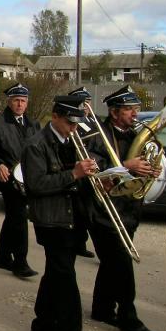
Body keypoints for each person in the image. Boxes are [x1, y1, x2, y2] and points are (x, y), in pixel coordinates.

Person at [20, 95, 95, 331]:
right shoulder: (35, 145)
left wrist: (98, 181)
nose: (73, 128)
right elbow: (37, 185)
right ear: (54, 117)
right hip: (51, 220)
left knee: (55, 273)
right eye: (69, 123)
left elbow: (79, 181)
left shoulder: (74, 142)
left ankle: (41, 326)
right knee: (65, 278)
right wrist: (73, 174)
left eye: (76, 124)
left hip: (73, 218)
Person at [86, 85, 159, 331]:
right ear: (114, 112)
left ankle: (102, 308)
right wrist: (125, 165)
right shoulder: (98, 134)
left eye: (136, 109)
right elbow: (92, 167)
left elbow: (146, 163)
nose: (134, 114)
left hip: (129, 209)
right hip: (103, 212)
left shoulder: (137, 135)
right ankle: (129, 317)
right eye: (129, 109)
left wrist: (150, 170)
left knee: (111, 263)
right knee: (122, 263)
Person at [0, 83, 41, 277]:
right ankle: (20, 262)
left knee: (13, 217)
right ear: (9, 101)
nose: (20, 104)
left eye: (23, 101)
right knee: (20, 217)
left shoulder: (33, 124)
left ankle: (3, 257)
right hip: (7, 178)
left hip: (28, 178)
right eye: (16, 100)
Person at [67, 86, 97, 259]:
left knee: (88, 210)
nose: (86, 107)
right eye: (82, 103)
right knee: (77, 210)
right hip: (77, 169)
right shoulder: (74, 123)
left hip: (92, 169)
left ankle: (81, 241)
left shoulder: (93, 122)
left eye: (87, 102)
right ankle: (76, 242)